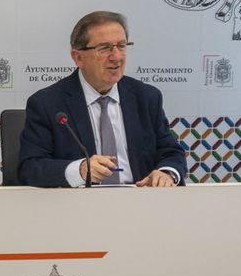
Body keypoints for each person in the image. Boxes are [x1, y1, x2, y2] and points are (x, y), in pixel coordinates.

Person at [16, 10, 186, 187]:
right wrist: (80, 170)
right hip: (77, 206)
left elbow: (171, 152)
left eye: (121, 46)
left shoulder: (146, 97)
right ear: (78, 57)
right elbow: (30, 167)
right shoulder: (47, 103)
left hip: (139, 202)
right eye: (104, 48)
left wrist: (167, 173)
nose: (117, 57)